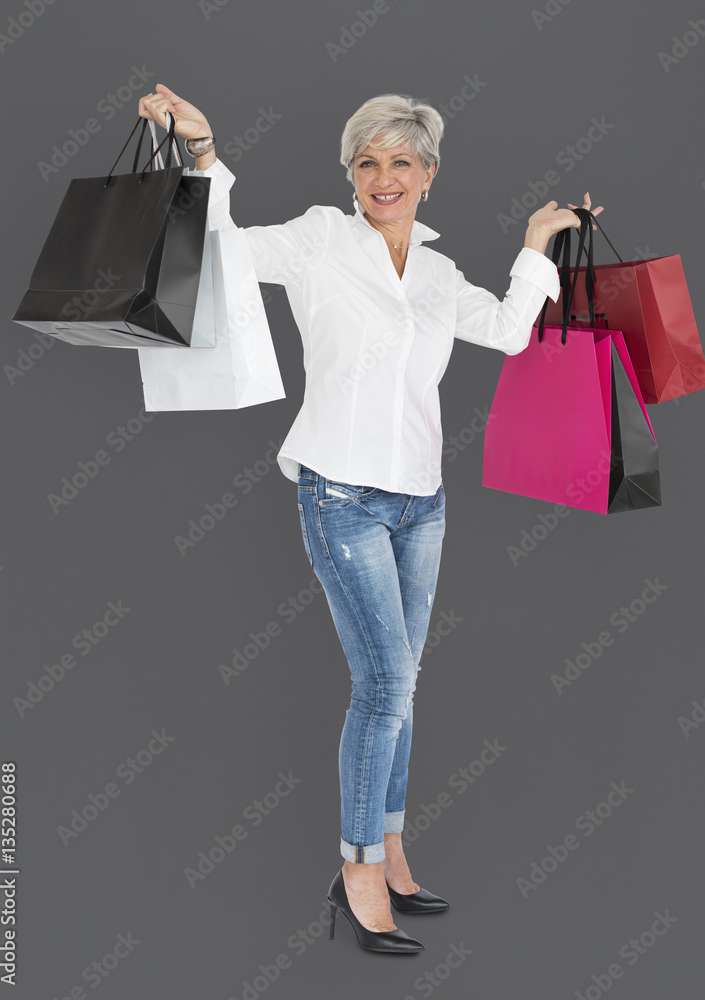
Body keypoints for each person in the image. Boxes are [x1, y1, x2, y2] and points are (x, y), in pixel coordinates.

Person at [139, 83, 603, 955]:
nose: (381, 177)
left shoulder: (433, 272)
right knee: (384, 686)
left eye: (399, 162)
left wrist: (537, 245)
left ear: (428, 174)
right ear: (349, 173)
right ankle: (355, 870)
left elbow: (508, 332)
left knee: (405, 687)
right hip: (340, 493)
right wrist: (204, 152)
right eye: (366, 161)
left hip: (421, 499)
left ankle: (389, 846)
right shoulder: (320, 239)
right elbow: (224, 250)